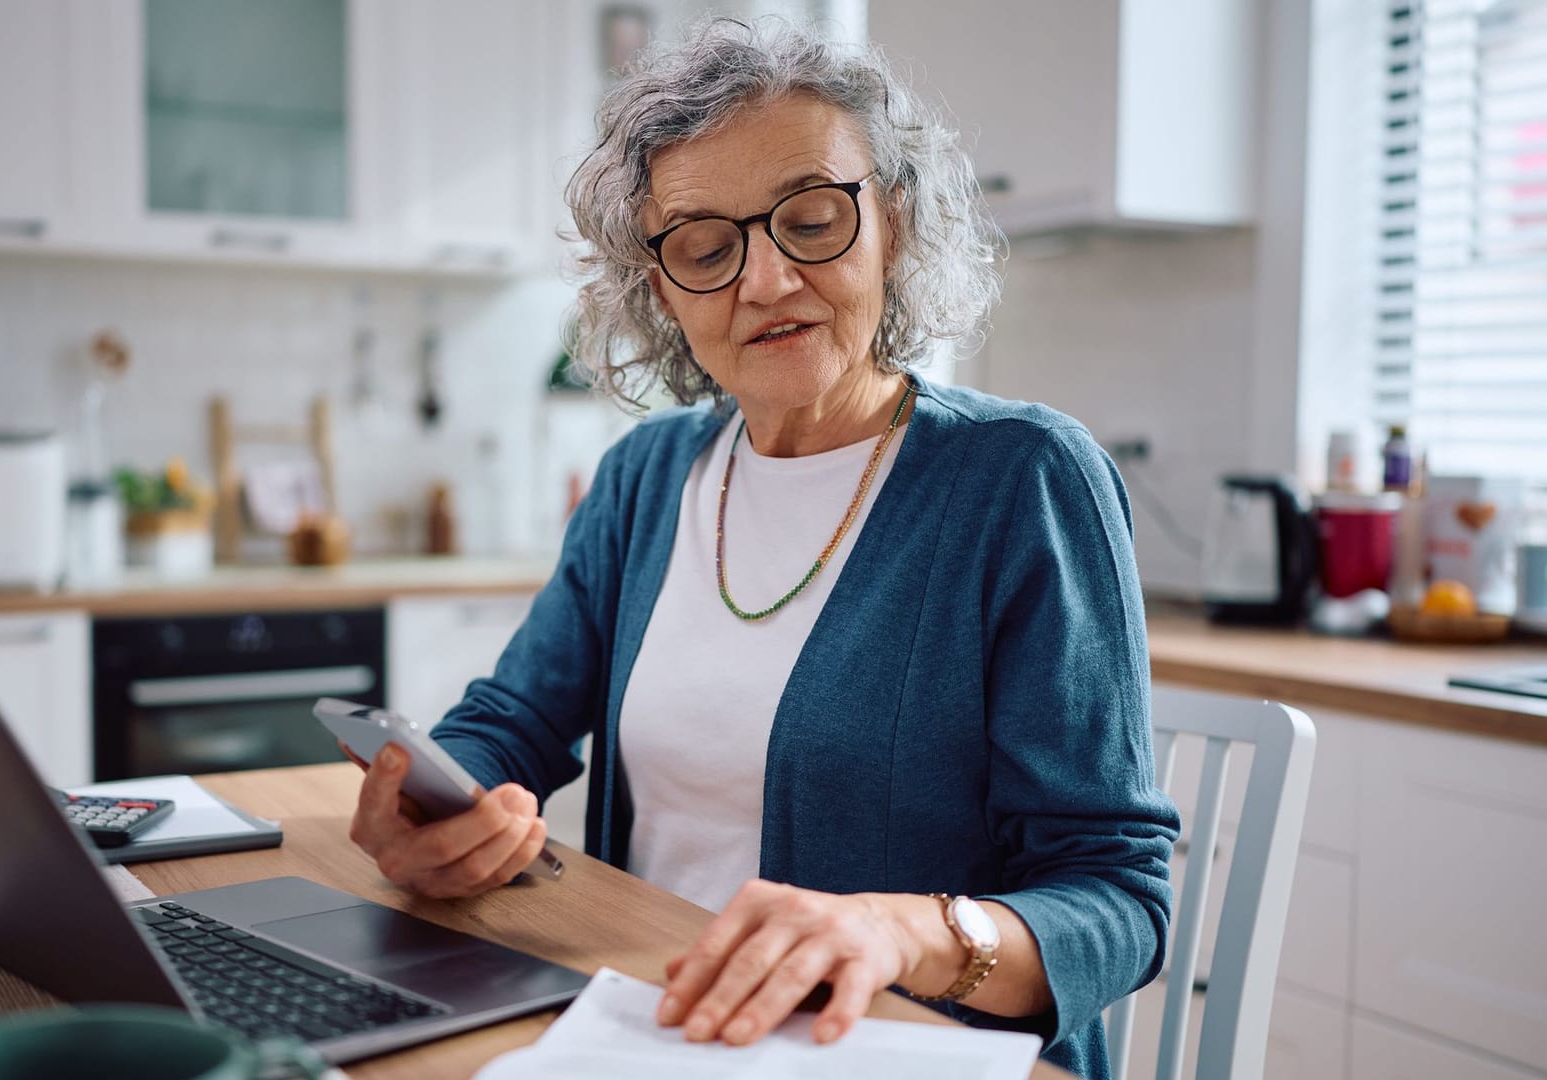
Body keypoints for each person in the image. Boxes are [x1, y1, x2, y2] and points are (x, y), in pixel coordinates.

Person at [345, 18, 1178, 1079]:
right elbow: (512, 724)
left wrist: (900, 934)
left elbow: (1114, 898)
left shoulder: (1022, 481)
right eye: (704, 246)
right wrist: (436, 806)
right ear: (660, 290)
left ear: (896, 227)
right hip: (642, 1025)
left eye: (814, 219)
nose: (767, 280)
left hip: (885, 1053)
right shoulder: (648, 477)